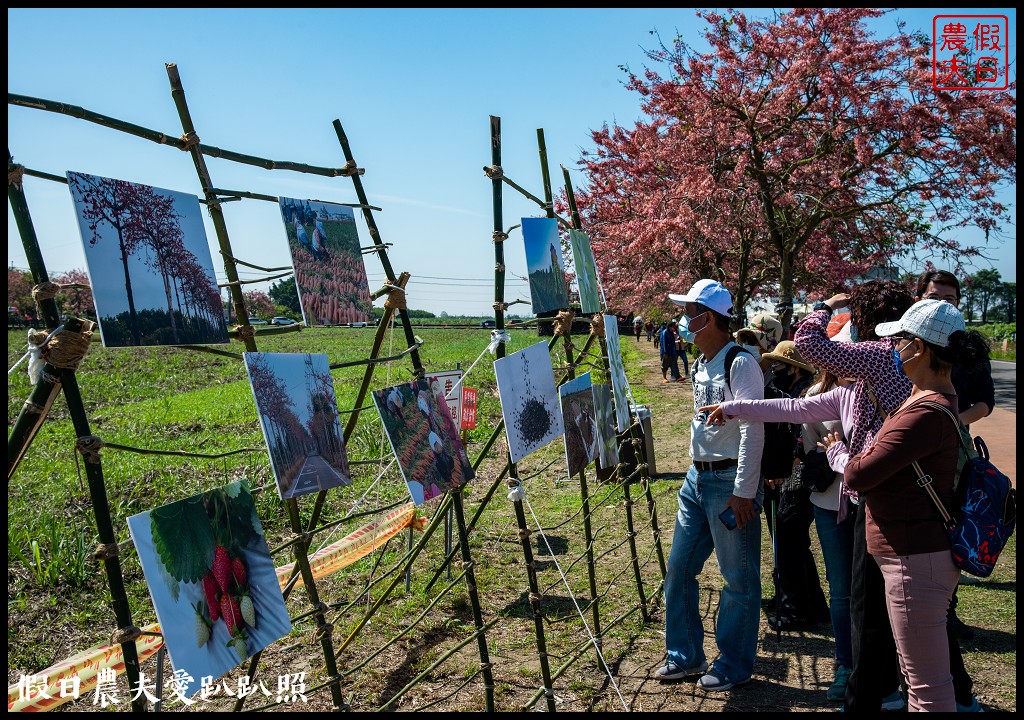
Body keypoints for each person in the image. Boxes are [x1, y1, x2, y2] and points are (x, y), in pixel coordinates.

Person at [820, 299, 991, 712]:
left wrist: (839, 454)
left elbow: (860, 474)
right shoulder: (926, 402)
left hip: (915, 562)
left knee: (927, 688)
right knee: (918, 680)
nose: (894, 349)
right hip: (913, 556)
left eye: (899, 342)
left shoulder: (923, 413)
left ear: (920, 348)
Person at [700, 354, 858, 703]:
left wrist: (837, 452)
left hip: (871, 505)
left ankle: (885, 672)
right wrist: (734, 407)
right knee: (842, 591)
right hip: (831, 502)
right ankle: (846, 666)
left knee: (873, 591)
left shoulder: (879, 391)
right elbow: (794, 418)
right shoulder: (823, 393)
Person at [794, 280, 914, 713]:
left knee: (866, 599)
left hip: (875, 491)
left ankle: (870, 691)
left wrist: (825, 306)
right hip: (910, 491)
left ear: (864, 319)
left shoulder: (880, 355)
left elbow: (808, 343)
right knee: (895, 598)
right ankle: (904, 685)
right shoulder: (914, 358)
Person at [655, 279, 764, 691]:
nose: (684, 320)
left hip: (728, 482)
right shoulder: (702, 362)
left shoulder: (740, 363)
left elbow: (755, 429)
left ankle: (734, 663)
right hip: (695, 479)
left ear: (709, 317)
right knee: (680, 568)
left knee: (738, 578)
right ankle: (686, 656)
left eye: (689, 312)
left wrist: (744, 490)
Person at [914, 270, 992, 711]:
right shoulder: (913, 345)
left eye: (951, 296)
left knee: (952, 523)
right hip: (923, 444)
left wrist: (953, 420)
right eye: (934, 295)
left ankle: (947, 607)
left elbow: (986, 401)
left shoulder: (967, 350)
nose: (945, 301)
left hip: (956, 448)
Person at [755, 341, 827, 631]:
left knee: (789, 540)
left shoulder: (805, 394)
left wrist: (785, 468)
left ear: (794, 368)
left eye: (779, 364)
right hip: (791, 475)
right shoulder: (790, 390)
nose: (774, 369)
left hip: (797, 478)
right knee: (792, 542)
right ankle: (813, 605)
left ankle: (794, 609)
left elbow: (799, 438)